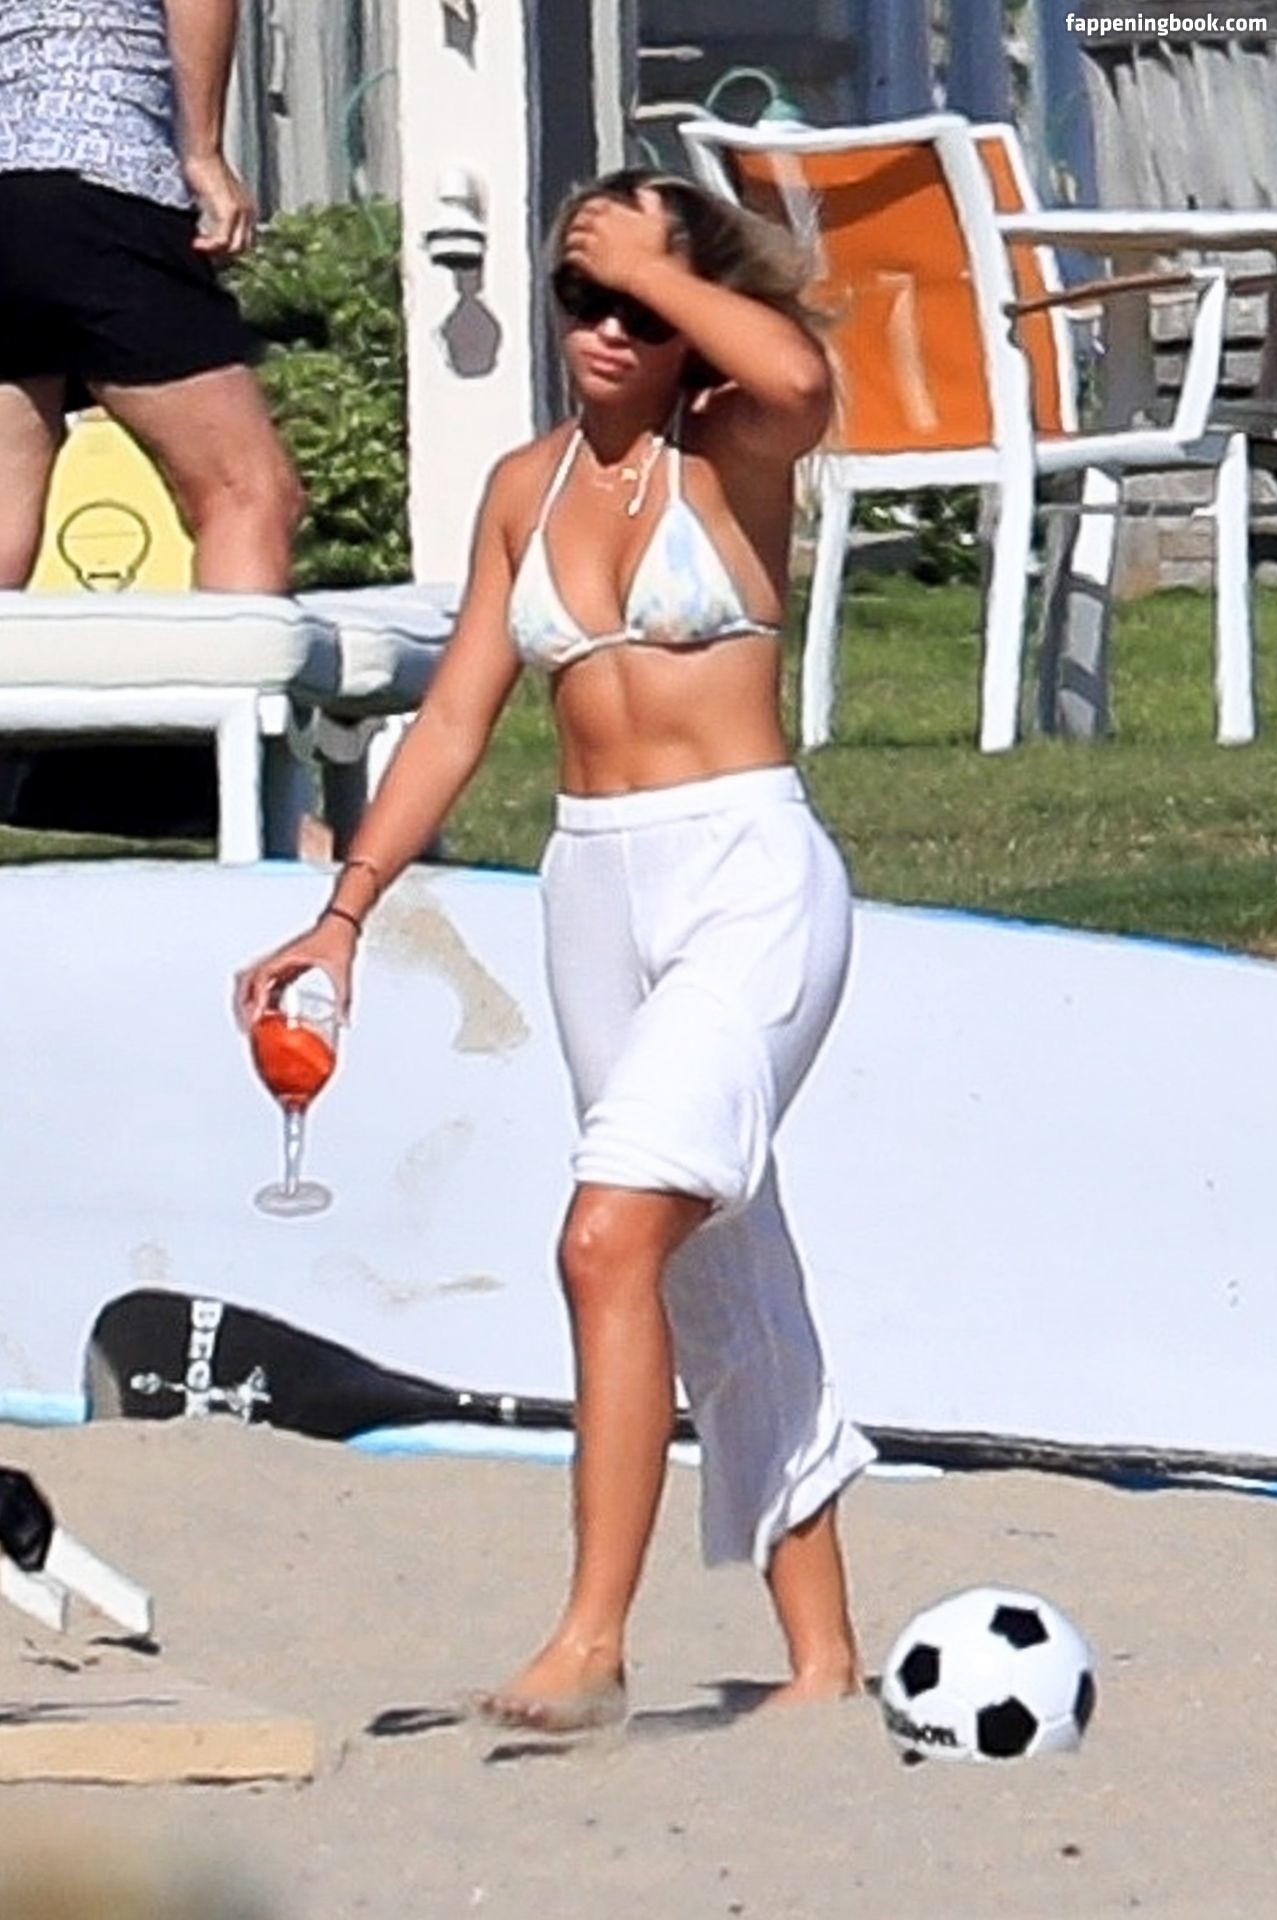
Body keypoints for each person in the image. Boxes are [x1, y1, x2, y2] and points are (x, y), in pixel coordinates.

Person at [235, 168, 876, 1732]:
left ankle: (592, 1642)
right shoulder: (525, 488)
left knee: (605, 1238)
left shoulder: (732, 446)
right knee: (708, 1263)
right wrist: (343, 910)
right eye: (582, 298)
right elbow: (459, 715)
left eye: (639, 307)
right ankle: (824, 1661)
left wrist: (659, 265)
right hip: (591, 890)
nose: (606, 329)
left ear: (690, 320)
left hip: (745, 874)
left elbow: (802, 378)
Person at [0, 0, 303, 591]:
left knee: (4, 505)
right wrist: (203, 154)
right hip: (103, 173)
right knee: (247, 493)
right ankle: (235, 656)